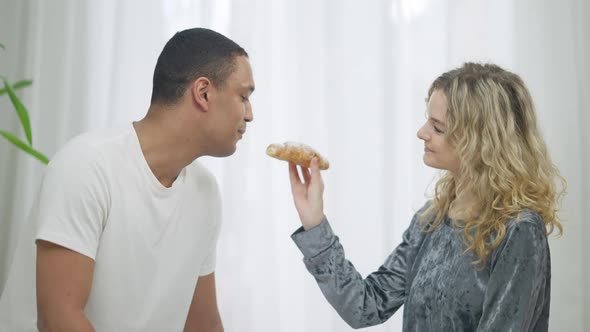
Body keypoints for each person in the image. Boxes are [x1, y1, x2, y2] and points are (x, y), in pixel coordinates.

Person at [0, 27, 255, 331]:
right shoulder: (87, 166)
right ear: (203, 93)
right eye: (243, 96)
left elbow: (203, 325)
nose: (249, 114)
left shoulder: (205, 192)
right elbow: (58, 319)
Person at [288, 62, 565, 331]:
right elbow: (365, 306)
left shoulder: (518, 231)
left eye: (438, 127)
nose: (422, 133)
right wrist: (315, 224)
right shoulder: (431, 219)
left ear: (480, 140)